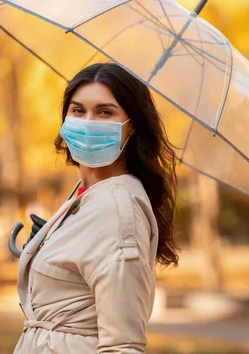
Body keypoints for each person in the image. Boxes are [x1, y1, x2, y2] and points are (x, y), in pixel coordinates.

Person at [14, 62, 179, 353]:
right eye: (78, 111)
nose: (88, 122)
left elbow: (123, 345)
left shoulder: (118, 209)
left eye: (105, 112)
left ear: (132, 126)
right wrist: (45, 248)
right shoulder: (87, 196)